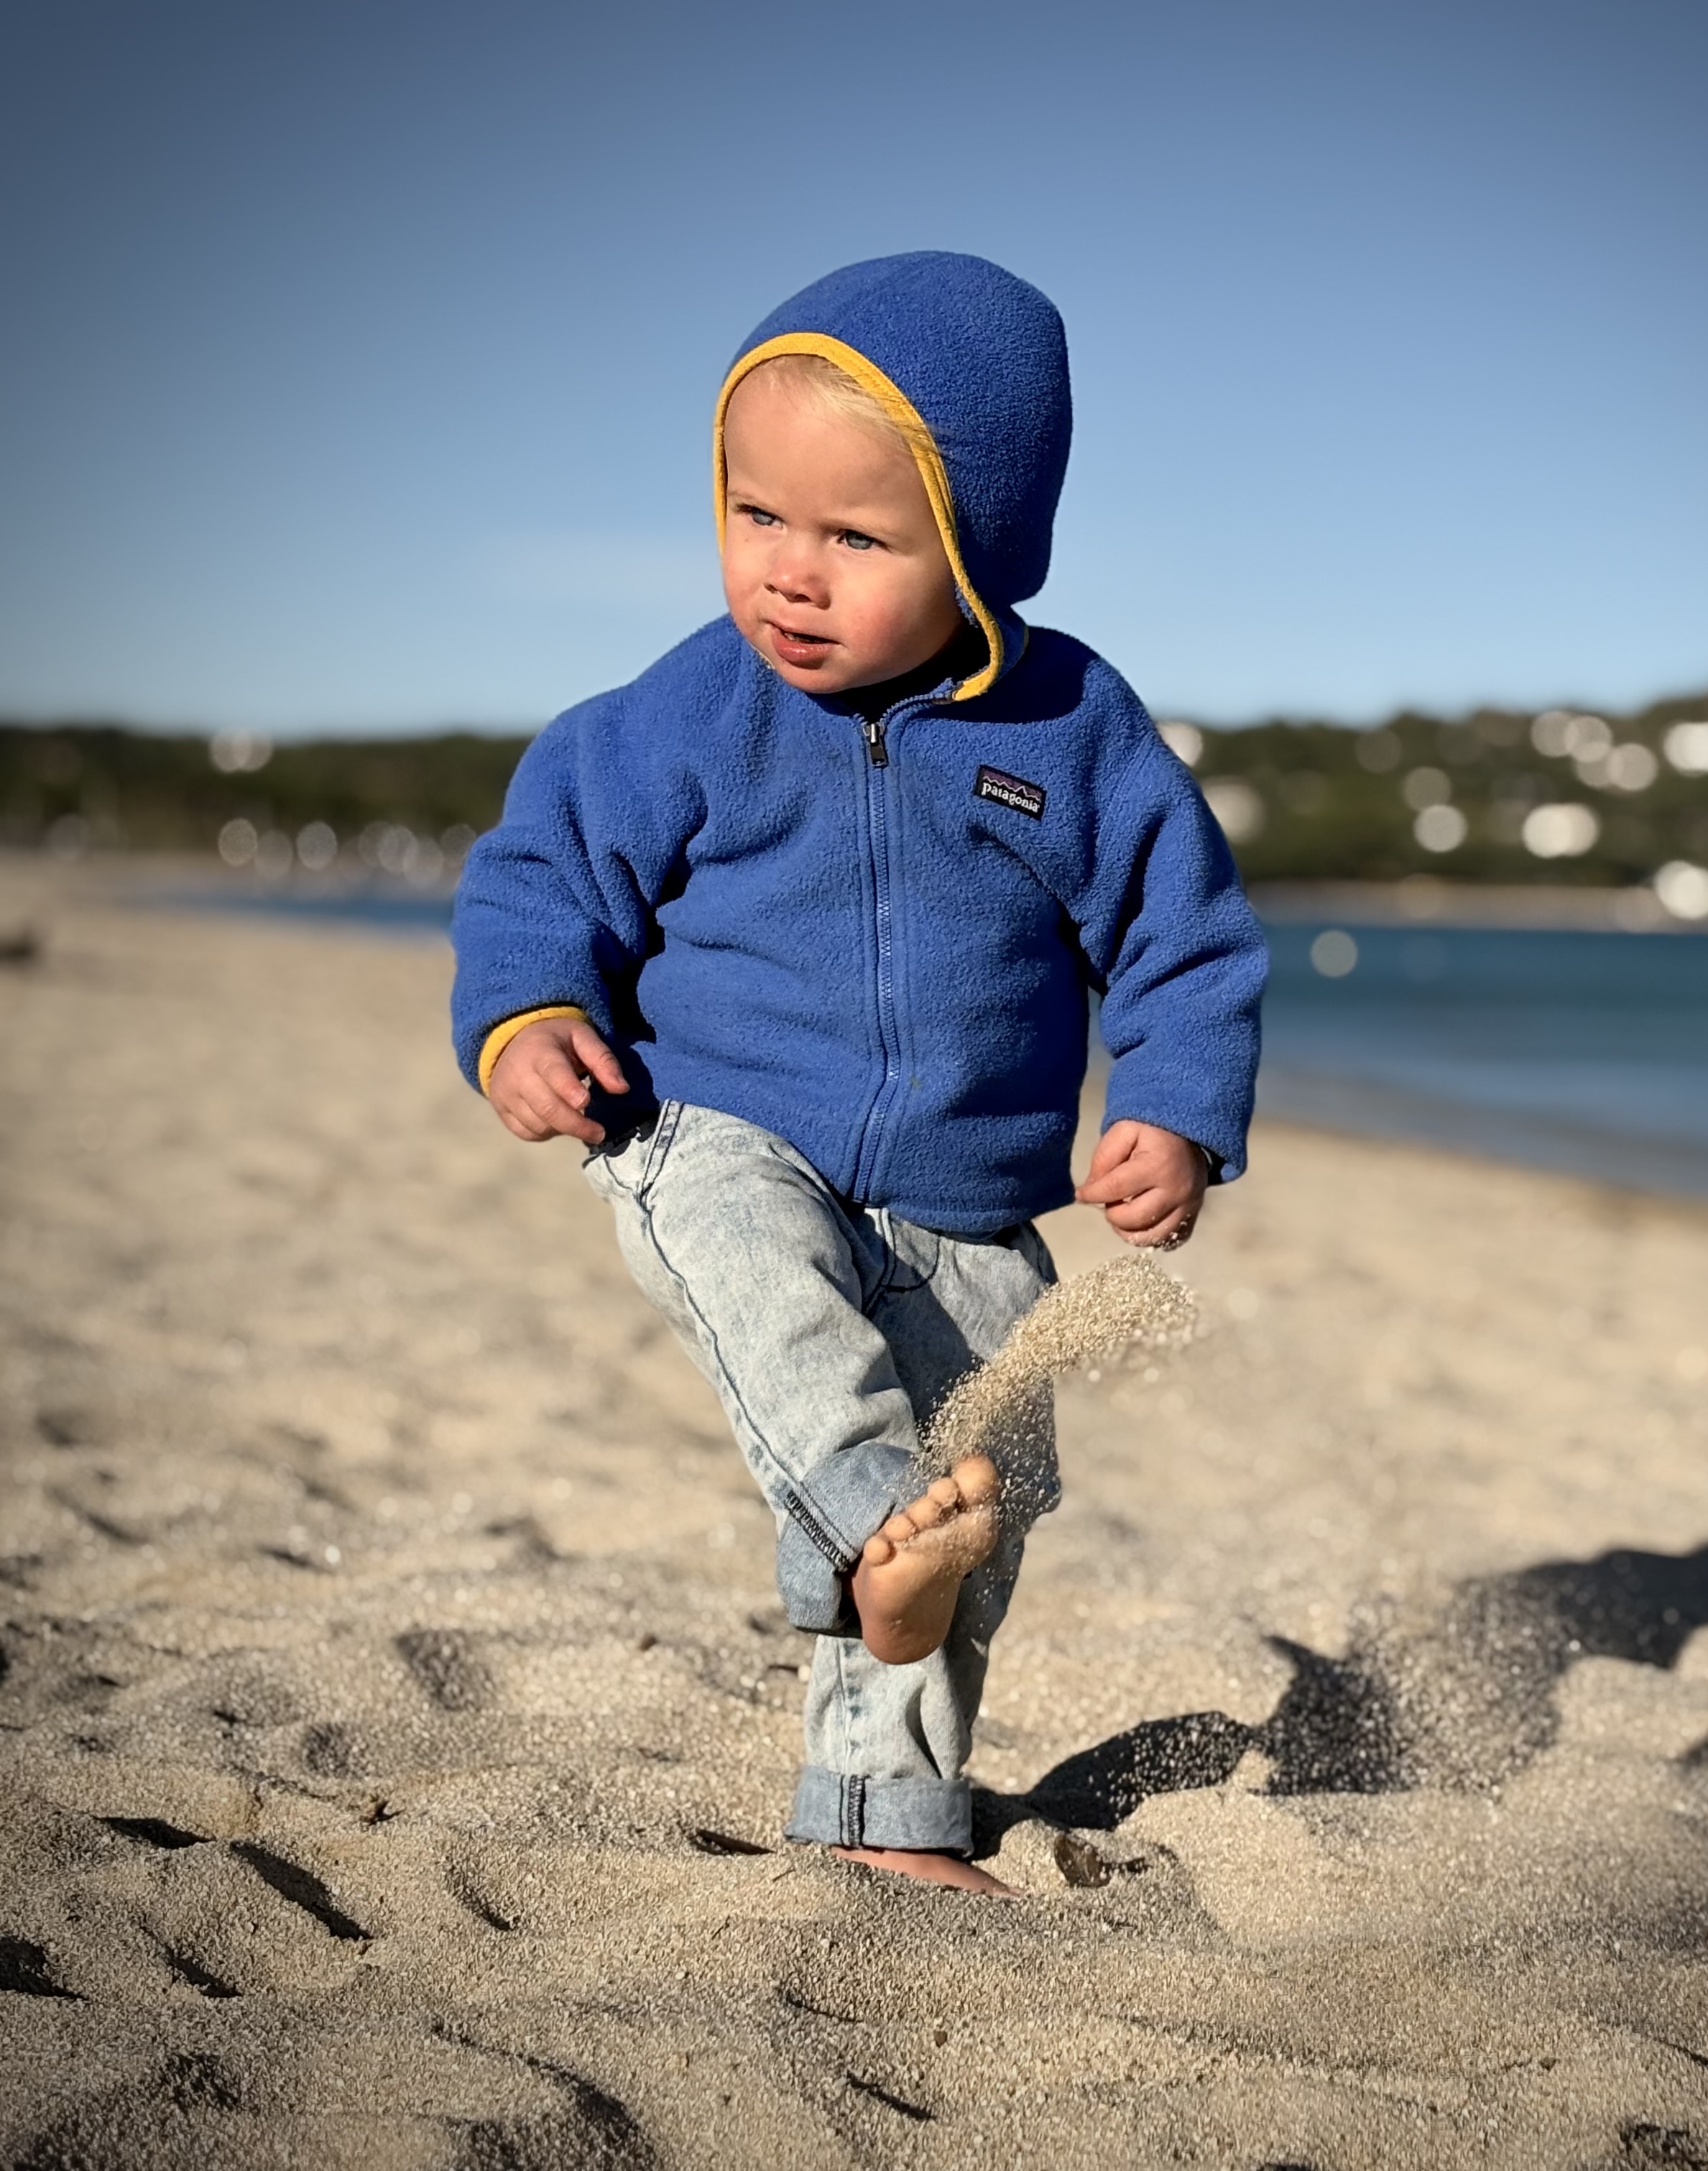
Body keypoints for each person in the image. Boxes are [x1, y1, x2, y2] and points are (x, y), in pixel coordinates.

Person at [450, 252, 1266, 1894]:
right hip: (711, 1130)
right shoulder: (696, 706)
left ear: (976, 545)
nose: (788, 573)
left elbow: (1182, 933)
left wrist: (1174, 1106)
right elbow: (542, 864)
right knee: (813, 1362)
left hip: (967, 1201)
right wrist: (527, 1014)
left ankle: (884, 1820)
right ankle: (863, 1529)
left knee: (983, 1491)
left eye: (855, 537)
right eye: (754, 514)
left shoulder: (1069, 725)